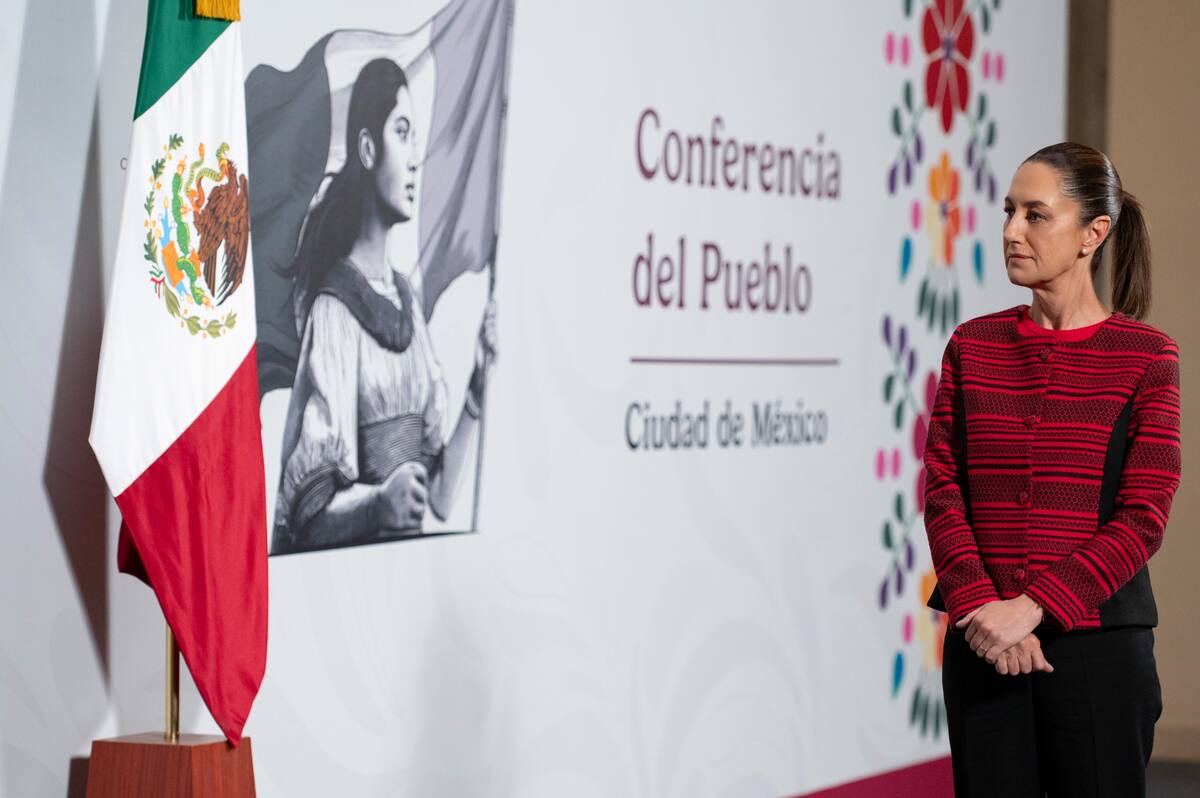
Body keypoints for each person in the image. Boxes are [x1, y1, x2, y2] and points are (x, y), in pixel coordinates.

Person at [923, 142, 1181, 796]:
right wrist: (984, 607)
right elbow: (943, 492)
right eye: (1009, 211)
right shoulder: (971, 346)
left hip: (1096, 650)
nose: (1011, 230)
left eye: (1035, 215)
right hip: (982, 643)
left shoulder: (1146, 357)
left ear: (1094, 233)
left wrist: (1033, 608)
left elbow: (1143, 517)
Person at [271, 58, 498, 555]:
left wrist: (478, 386)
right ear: (368, 149)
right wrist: (376, 505)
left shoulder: (406, 305)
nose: (415, 157)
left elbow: (439, 498)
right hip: (351, 594)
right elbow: (305, 519)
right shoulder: (334, 311)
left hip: (407, 587)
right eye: (402, 132)